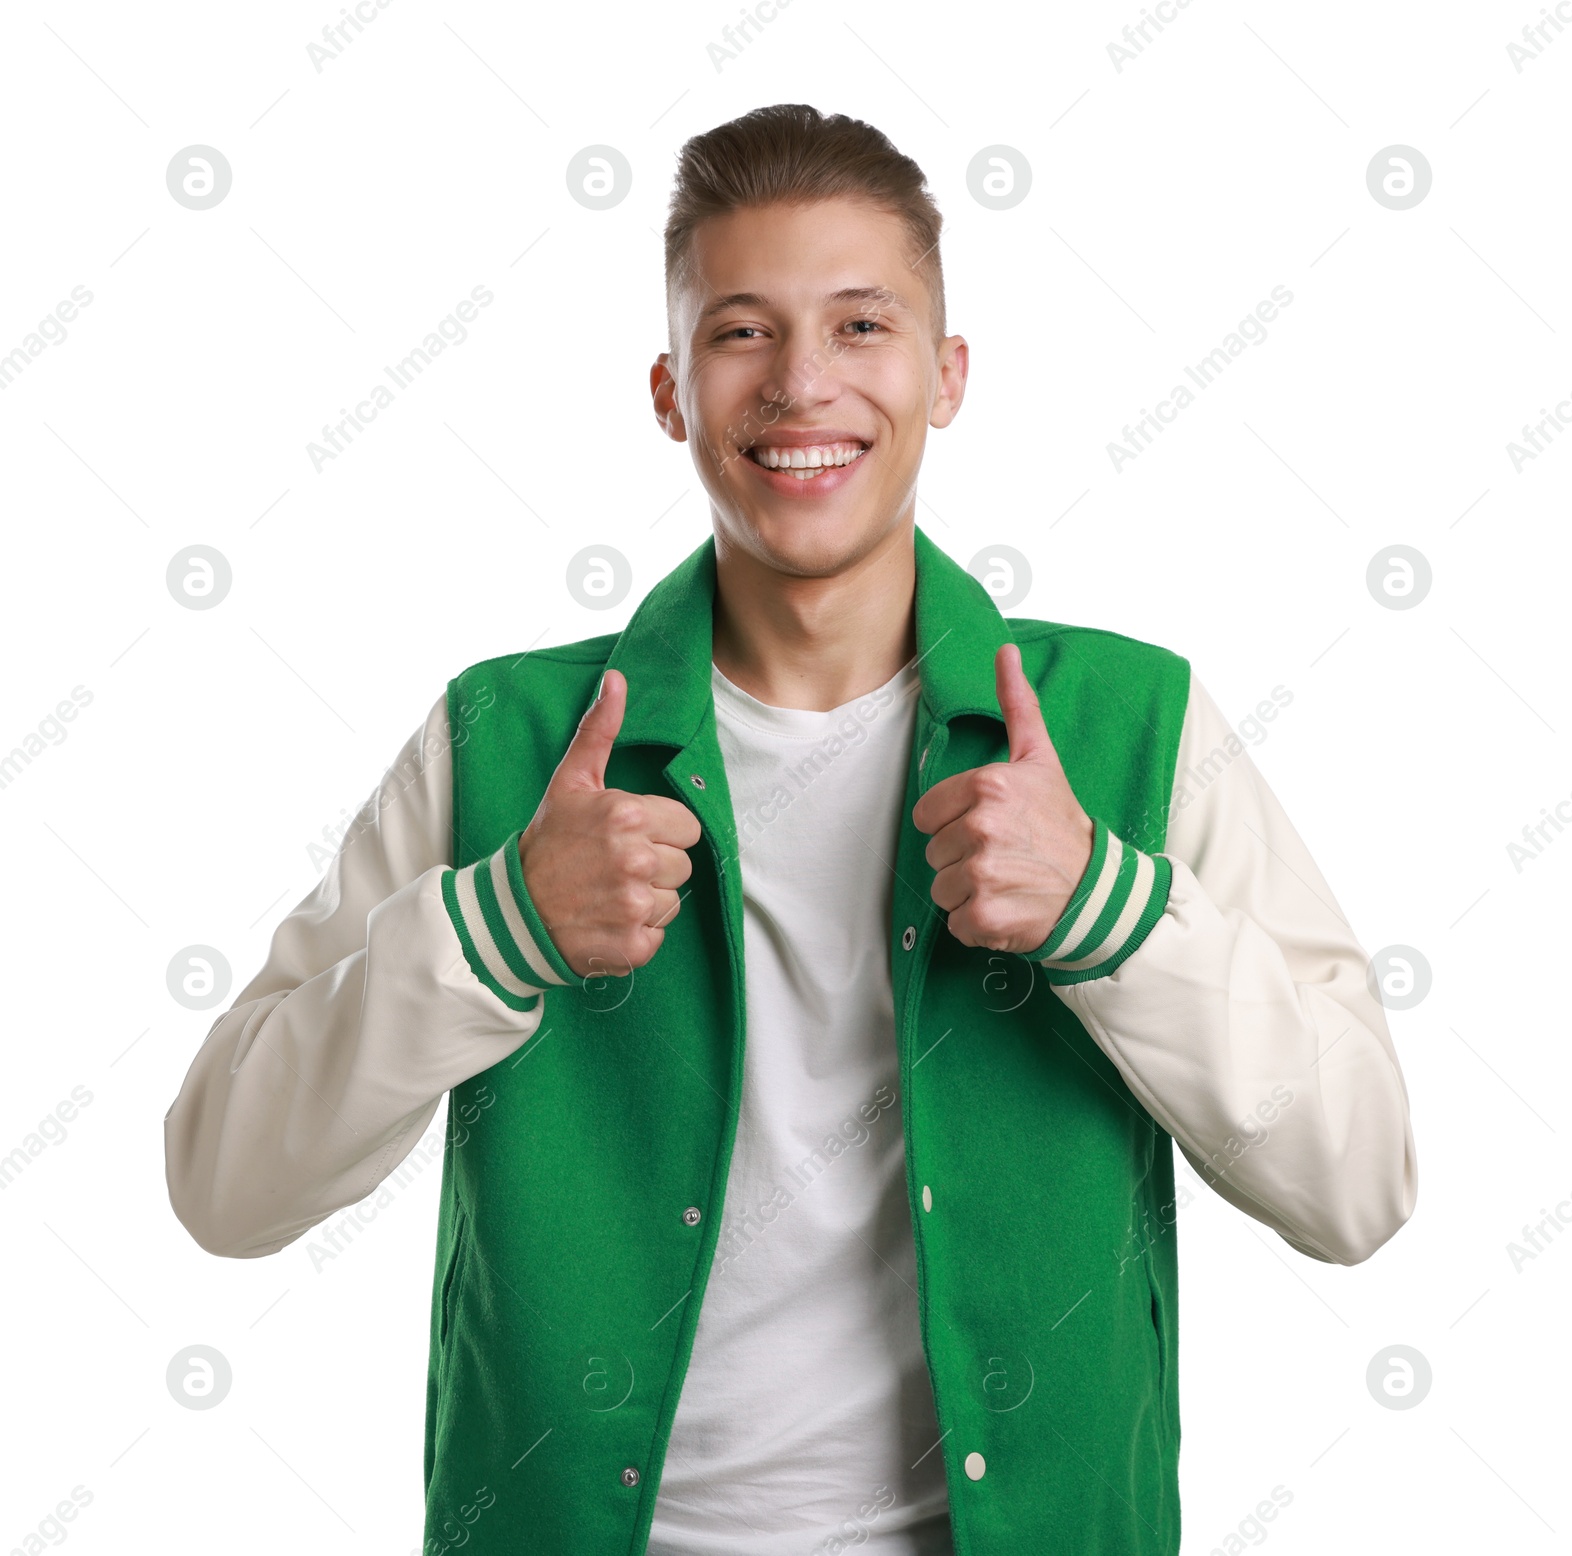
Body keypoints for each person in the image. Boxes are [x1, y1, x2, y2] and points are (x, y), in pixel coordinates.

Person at [165, 103, 1416, 1556]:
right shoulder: (500, 742)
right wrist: (494, 928)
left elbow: (1362, 1184)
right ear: (670, 388)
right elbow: (224, 1184)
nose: (802, 386)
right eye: (742, 333)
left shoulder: (1133, 727)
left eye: (862, 326)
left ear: (947, 376)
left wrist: (1110, 913)